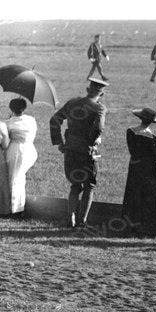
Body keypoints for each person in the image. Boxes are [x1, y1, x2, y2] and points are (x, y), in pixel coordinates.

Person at [48, 71, 109, 229]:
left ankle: (71, 218)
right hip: (87, 151)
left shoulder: (72, 102)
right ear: (101, 93)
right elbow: (99, 128)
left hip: (70, 148)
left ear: (88, 89)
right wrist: (92, 141)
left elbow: (55, 119)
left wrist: (59, 142)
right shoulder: (99, 108)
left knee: (75, 186)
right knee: (89, 186)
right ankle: (82, 221)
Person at [122, 106, 156, 234]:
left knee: (132, 192)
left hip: (135, 166)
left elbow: (132, 150)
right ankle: (144, 223)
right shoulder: (153, 138)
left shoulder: (131, 132)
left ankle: (130, 221)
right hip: (149, 169)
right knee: (147, 195)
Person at [3, 98, 38, 218]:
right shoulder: (31, 119)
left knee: (14, 179)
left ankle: (15, 209)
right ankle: (17, 207)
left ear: (11, 108)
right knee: (19, 177)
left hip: (16, 150)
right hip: (30, 149)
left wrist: (10, 119)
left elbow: (5, 141)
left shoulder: (8, 123)